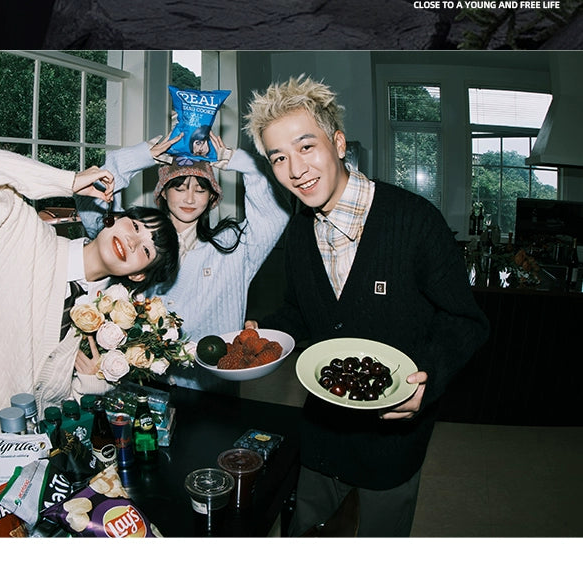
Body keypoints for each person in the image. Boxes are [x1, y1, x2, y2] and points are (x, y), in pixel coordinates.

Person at [243, 76, 489, 537]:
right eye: (279, 158)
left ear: (338, 144)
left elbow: (465, 320)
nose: (295, 169)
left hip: (392, 439)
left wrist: (427, 380)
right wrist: (262, 336)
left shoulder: (415, 221)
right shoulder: (299, 231)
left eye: (306, 147)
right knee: (305, 533)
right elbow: (301, 311)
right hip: (322, 429)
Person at [0, 146, 178, 486]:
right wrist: (70, 181)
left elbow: (56, 404)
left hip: (28, 470)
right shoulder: (20, 236)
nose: (132, 242)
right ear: (115, 218)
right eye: (134, 225)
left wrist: (91, 382)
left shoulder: (108, 325)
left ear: (138, 274)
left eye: (146, 249)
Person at [93, 131, 290, 391]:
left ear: (212, 198)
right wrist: (143, 155)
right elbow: (95, 205)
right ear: (163, 192)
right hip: (145, 383)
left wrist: (238, 161)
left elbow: (275, 215)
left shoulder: (233, 246)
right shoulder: (138, 244)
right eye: (179, 187)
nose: (189, 198)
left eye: (200, 189)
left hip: (212, 388)